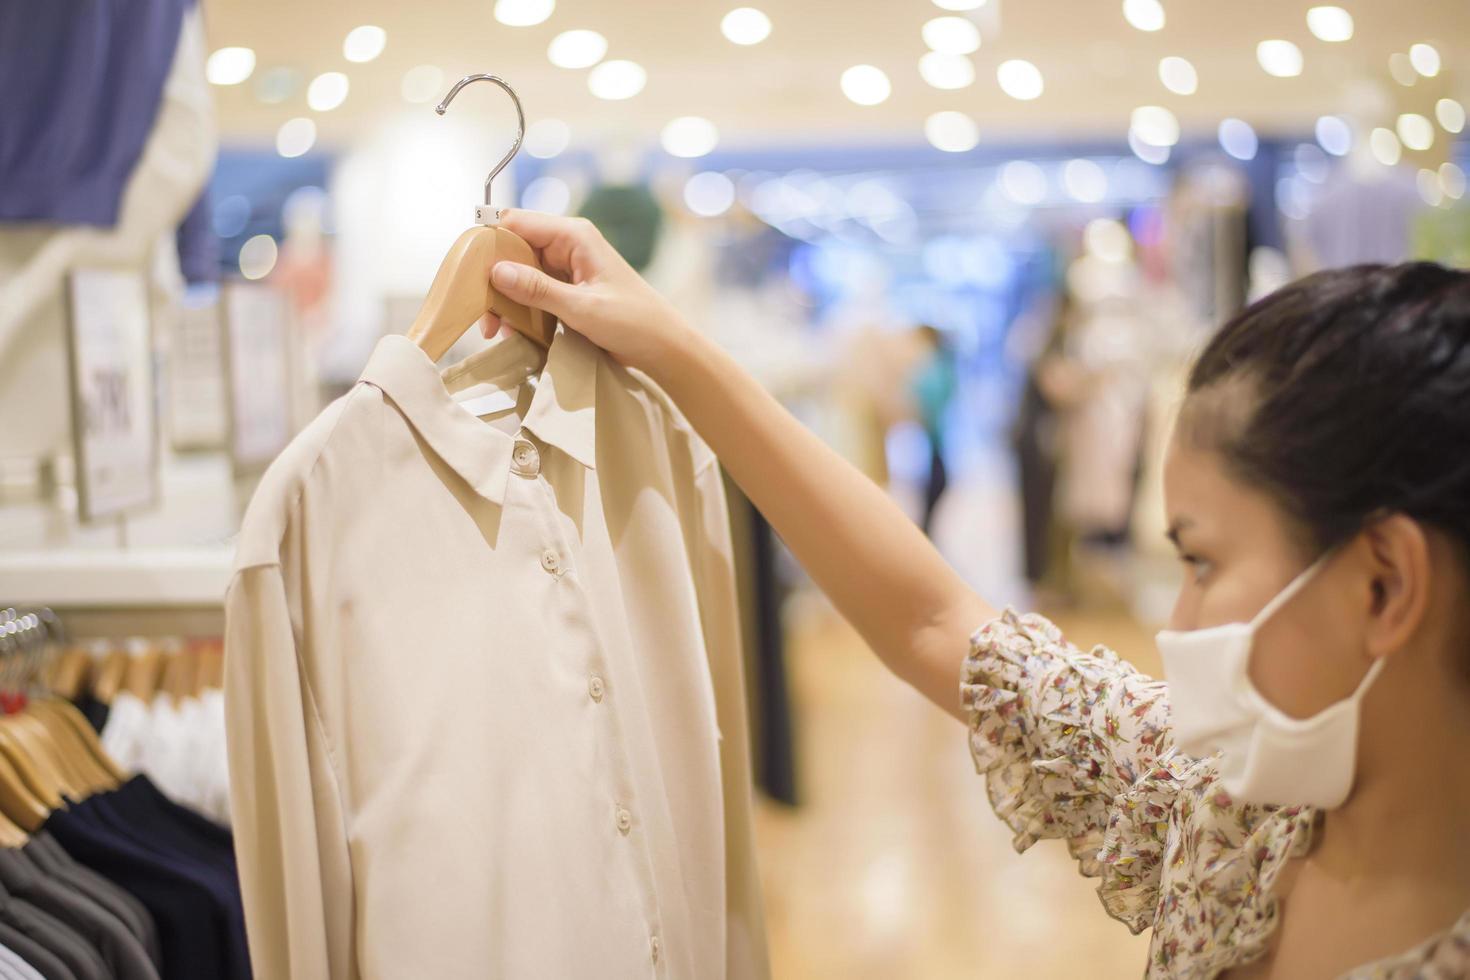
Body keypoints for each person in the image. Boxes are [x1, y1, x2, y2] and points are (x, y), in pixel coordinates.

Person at [481, 210, 1470, 978]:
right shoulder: (1232, 811)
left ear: (1383, 583)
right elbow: (936, 620)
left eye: (1203, 562)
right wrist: (674, 348)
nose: (1178, 620)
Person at [909, 324, 957, 537]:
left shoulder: (933, 370)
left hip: (934, 438)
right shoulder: (942, 367)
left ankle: (925, 533)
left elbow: (922, 403)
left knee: (934, 484)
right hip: (935, 439)